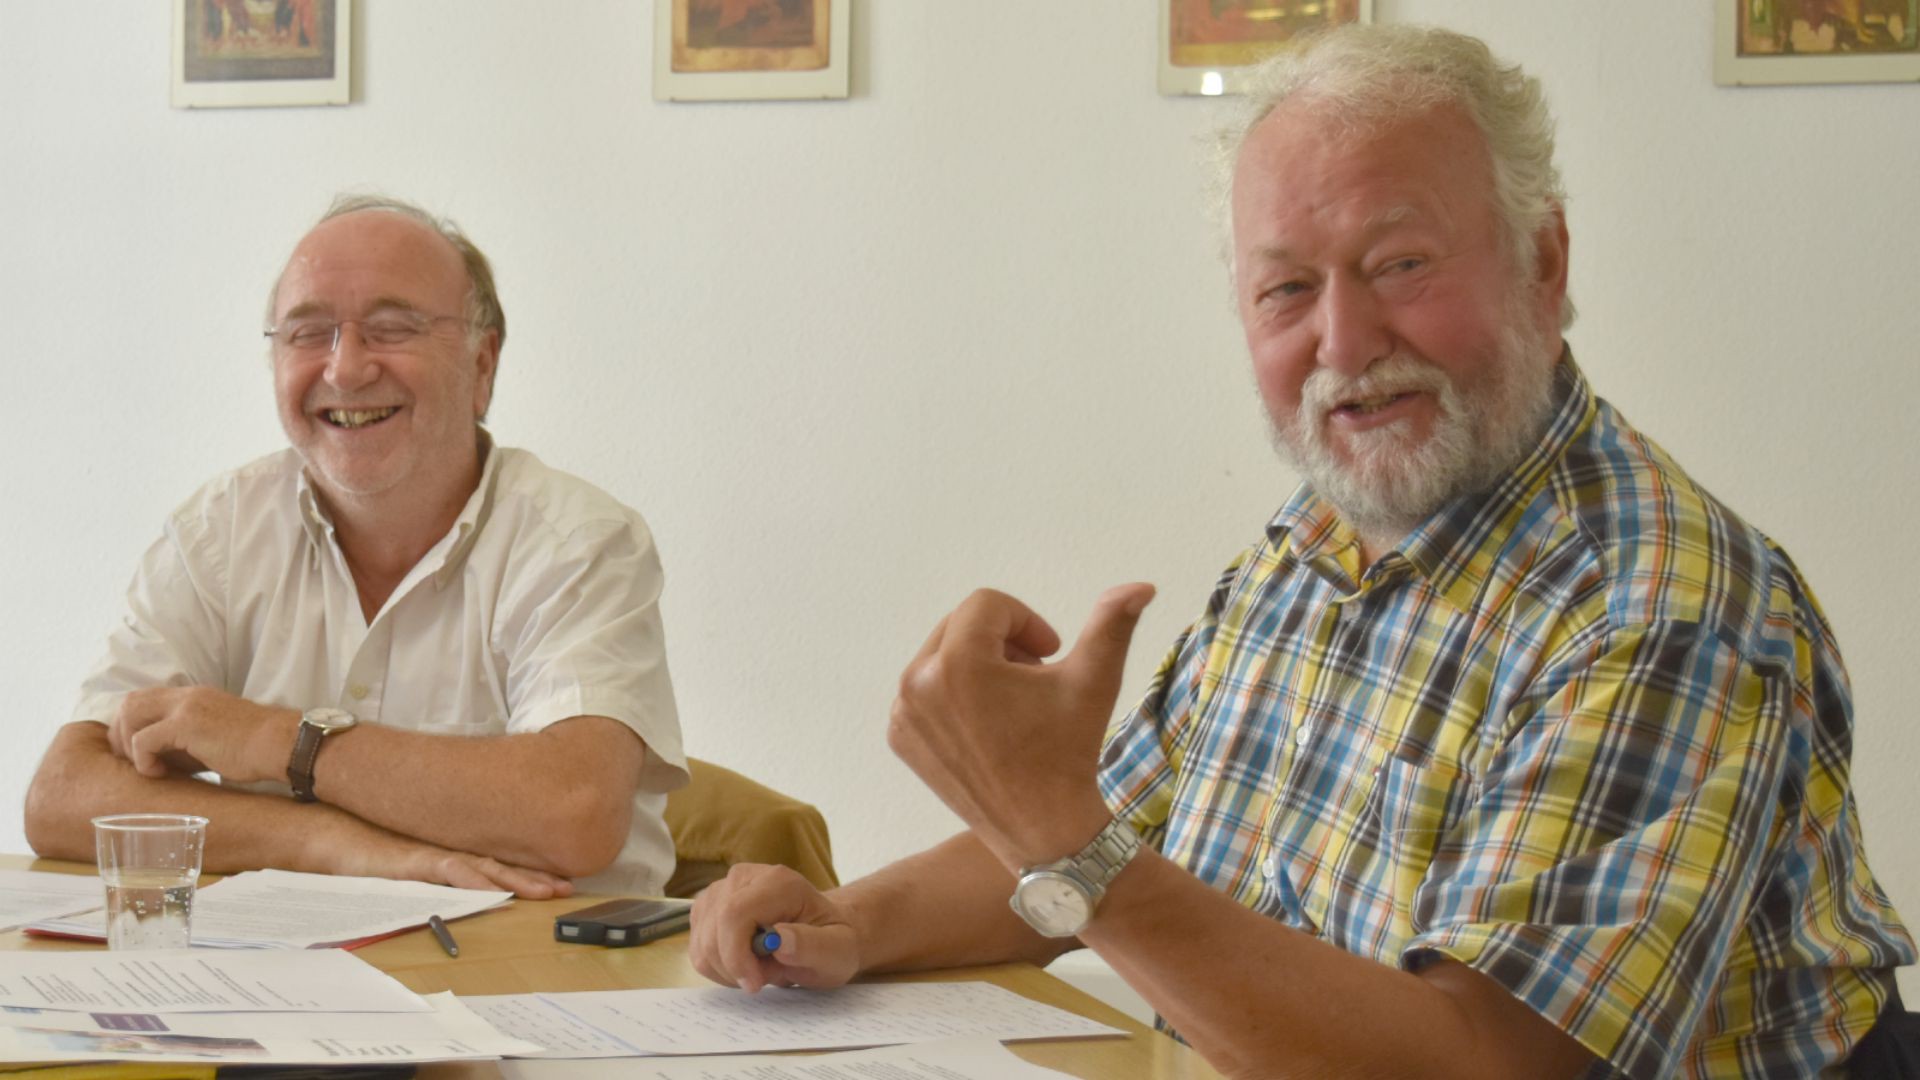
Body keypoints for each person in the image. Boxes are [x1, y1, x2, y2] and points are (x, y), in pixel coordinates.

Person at [686, 24, 1915, 1078]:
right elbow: (1128, 832)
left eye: (1401, 265)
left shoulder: (1661, 607)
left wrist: (1053, 835)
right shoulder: (1324, 535)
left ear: (1544, 261)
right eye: (1286, 292)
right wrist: (848, 922)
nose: (1346, 338)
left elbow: (1480, 1063)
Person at [24, 194, 687, 900]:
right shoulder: (217, 533)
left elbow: (572, 812)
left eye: (392, 327)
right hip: (290, 981)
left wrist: (278, 742)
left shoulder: (580, 543)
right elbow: (64, 798)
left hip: (547, 979)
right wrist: (329, 842)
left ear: (482, 366)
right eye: (307, 334)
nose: (344, 369)